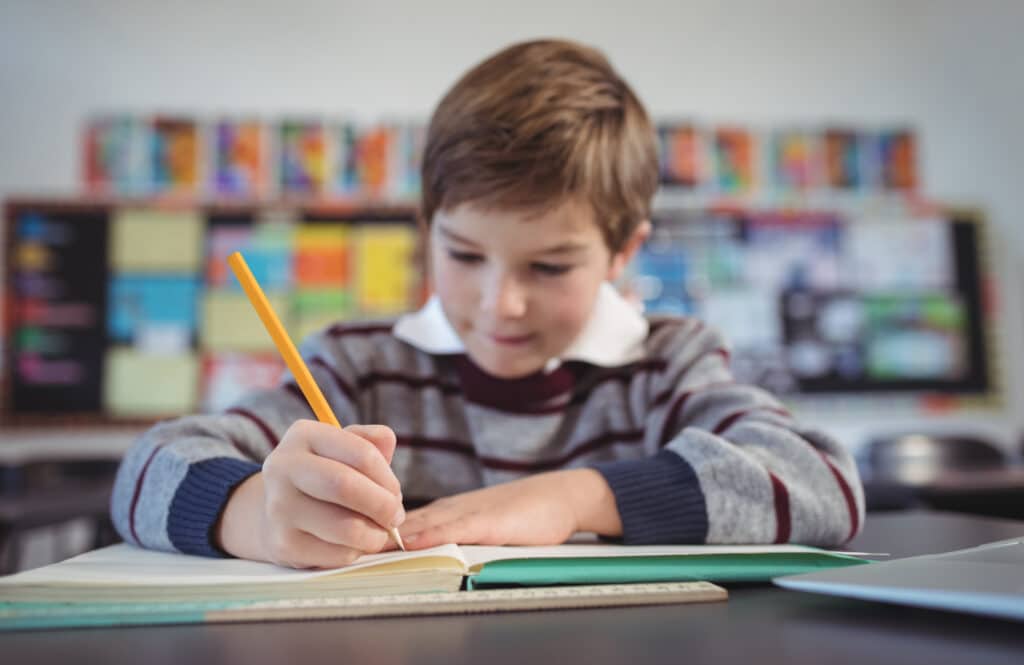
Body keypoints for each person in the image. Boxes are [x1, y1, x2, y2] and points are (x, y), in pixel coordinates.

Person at [111, 39, 864, 569]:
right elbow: (145, 469)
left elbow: (825, 483)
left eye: (550, 264)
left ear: (624, 251)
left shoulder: (666, 364)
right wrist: (257, 516)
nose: (500, 304)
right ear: (427, 230)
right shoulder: (361, 364)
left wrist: (576, 497)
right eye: (465, 256)